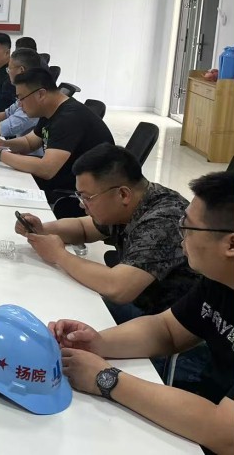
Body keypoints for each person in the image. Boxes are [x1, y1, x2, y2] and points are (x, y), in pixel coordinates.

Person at [48, 172, 234, 455]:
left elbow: (224, 434)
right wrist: (99, 343)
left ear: (230, 245)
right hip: (204, 409)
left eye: (188, 227)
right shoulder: (219, 279)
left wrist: (106, 378)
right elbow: (168, 330)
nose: (181, 234)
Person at [16, 144, 198, 320]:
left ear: (123, 194)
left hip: (162, 320)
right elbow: (83, 228)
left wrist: (58, 255)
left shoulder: (164, 219)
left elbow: (118, 288)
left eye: (87, 197)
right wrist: (42, 229)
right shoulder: (131, 202)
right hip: (144, 303)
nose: (82, 204)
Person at [0, 67, 114, 218]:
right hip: (61, 179)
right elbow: (29, 142)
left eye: (21, 98)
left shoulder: (69, 118)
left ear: (40, 94)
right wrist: (2, 143)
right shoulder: (51, 110)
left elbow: (46, 169)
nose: (19, 105)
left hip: (80, 197)